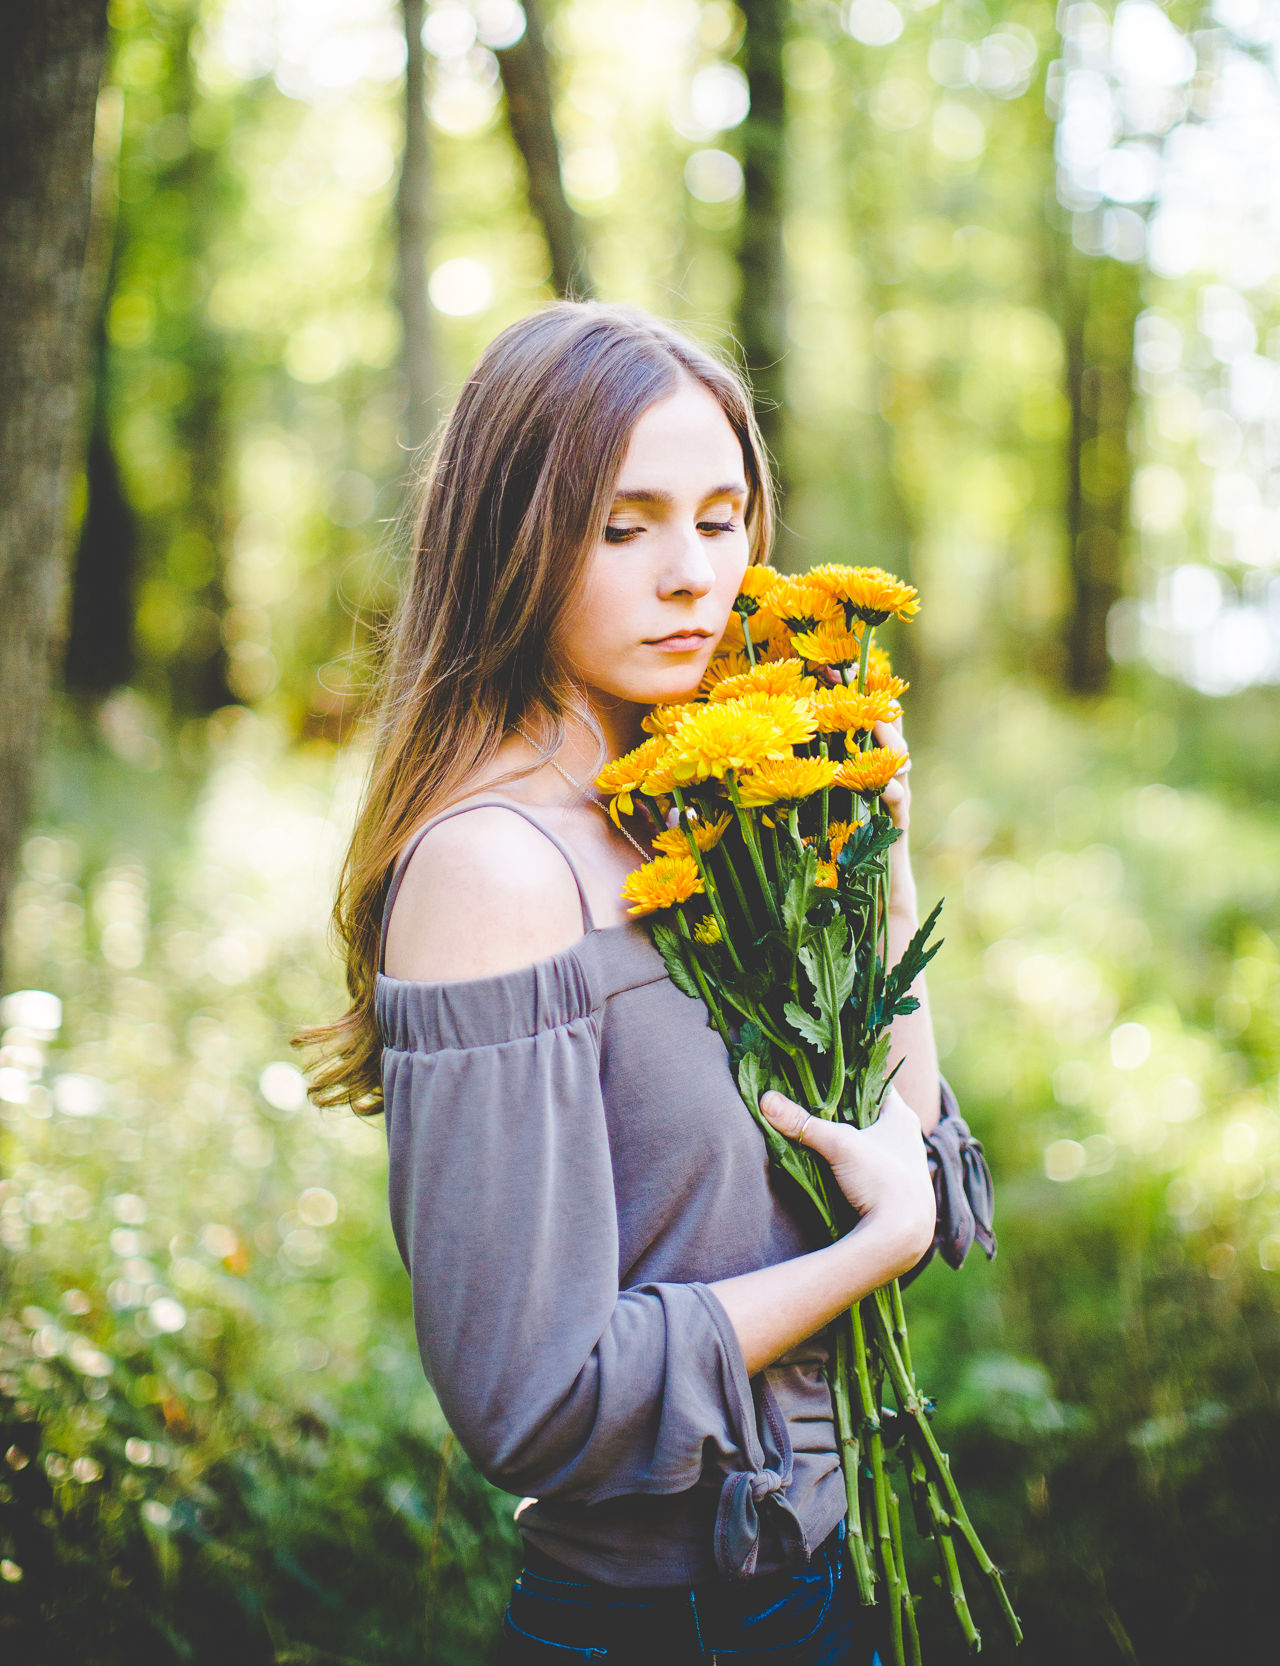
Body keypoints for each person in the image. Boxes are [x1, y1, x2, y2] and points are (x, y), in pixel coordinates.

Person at [305, 303, 994, 1664]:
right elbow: (536, 1398)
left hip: (818, 1572)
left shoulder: (708, 830)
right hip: (668, 1619)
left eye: (723, 518)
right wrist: (869, 1253)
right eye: (625, 526)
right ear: (515, 539)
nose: (694, 575)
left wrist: (880, 858)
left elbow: (933, 1187)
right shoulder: (496, 875)